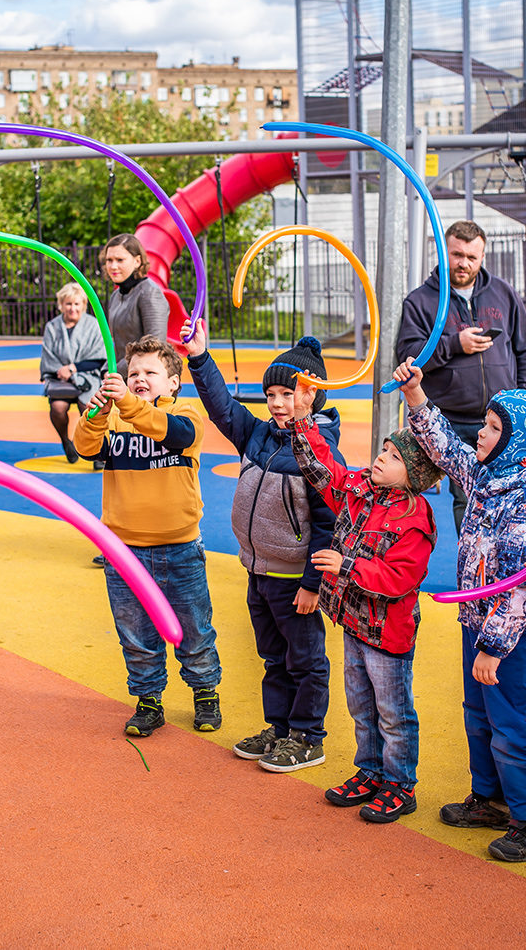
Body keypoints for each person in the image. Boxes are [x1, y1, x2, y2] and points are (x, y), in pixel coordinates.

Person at [394, 357, 526, 863]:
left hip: (512, 635)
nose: (483, 433)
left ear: (519, 441)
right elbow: (447, 450)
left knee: (519, 717)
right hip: (478, 620)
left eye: (494, 428)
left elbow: (521, 586)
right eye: (488, 424)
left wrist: (494, 645)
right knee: (480, 714)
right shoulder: (492, 473)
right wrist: (415, 397)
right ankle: (491, 798)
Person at [186, 325, 338, 772]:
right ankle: (281, 727)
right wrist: (199, 357)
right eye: (271, 393)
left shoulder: (320, 450)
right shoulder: (258, 434)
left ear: (311, 396)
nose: (276, 403)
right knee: (273, 656)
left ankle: (309, 736)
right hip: (260, 571)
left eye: (287, 394)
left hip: (296, 580)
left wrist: (313, 584)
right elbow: (221, 406)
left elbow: (329, 524)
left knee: (305, 659)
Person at [289, 382, 439, 823]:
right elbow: (326, 473)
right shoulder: (361, 491)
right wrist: (302, 419)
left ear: (413, 473)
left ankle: (399, 783)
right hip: (354, 624)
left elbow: (400, 578)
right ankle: (370, 770)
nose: (381, 457)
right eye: (384, 449)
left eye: (394, 456)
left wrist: (346, 565)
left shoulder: (415, 516)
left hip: (386, 634)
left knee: (393, 712)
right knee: (360, 704)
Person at [75, 335, 221, 737]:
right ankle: (148, 699)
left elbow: (172, 433)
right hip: (124, 551)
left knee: (194, 627)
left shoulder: (187, 412)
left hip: (179, 546)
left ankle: (205, 689)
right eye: (133, 372)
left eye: (151, 372)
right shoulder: (116, 416)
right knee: (135, 631)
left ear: (173, 382)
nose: (139, 378)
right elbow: (85, 447)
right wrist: (97, 414)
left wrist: (125, 403)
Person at [396, 219, 526, 531]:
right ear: (445, 252)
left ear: (482, 257)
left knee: (512, 492)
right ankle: (474, 570)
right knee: (467, 497)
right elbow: (408, 357)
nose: (463, 263)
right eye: (457, 254)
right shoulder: (421, 301)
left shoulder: (503, 293)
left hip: (501, 416)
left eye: (471, 257)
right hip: (450, 418)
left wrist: (525, 397)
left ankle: (503, 567)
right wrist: (454, 344)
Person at [39, 282, 107, 464]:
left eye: (77, 304)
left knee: (89, 407)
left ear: (83, 305)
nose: (72, 308)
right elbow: (48, 356)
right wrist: (62, 371)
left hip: (87, 376)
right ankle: (65, 441)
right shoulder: (52, 327)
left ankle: (96, 450)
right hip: (61, 379)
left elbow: (100, 357)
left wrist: (73, 368)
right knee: (58, 408)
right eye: (68, 304)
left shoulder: (93, 325)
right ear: (61, 305)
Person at [102, 233, 168, 362]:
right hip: (122, 376)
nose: (113, 266)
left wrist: (116, 371)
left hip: (142, 376)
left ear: (137, 261)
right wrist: (107, 368)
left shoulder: (149, 292)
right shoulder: (116, 295)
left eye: (120, 260)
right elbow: (116, 344)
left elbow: (155, 347)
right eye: (109, 260)